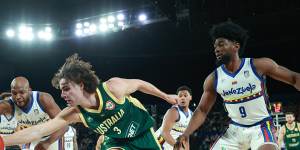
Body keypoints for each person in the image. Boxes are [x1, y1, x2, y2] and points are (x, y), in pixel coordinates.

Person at [0, 53, 177, 150]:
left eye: (66, 88)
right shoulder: (74, 113)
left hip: (143, 133)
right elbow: (38, 131)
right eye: (61, 90)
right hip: (116, 141)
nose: (62, 95)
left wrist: (166, 97)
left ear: (81, 85)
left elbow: (139, 84)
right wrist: (3, 141)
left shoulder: (112, 88)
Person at [174, 21, 300, 150]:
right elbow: (202, 110)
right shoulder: (213, 79)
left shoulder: (258, 66)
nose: (216, 49)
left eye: (221, 44)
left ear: (236, 46)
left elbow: (294, 78)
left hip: (261, 126)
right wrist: (186, 133)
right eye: (215, 46)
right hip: (235, 130)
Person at [0, 77, 67, 150]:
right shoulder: (7, 105)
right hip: (30, 137)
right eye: (14, 93)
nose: (18, 97)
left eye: (22, 92)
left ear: (29, 90)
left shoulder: (43, 99)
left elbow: (63, 126)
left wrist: (46, 143)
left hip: (52, 136)